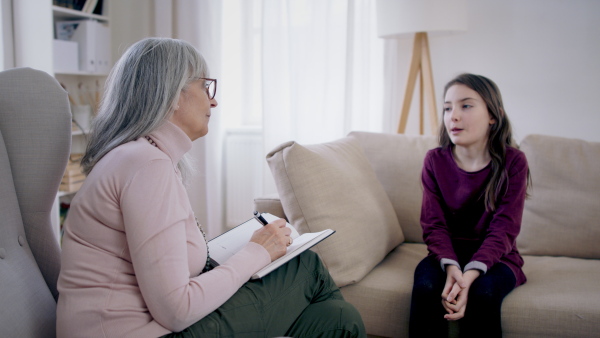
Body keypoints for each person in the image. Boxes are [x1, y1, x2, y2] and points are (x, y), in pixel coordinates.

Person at [56, 37, 365, 338]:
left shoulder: (137, 158)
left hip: (143, 327)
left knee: (339, 319)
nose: (213, 100)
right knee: (306, 265)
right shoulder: (146, 165)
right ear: (173, 94)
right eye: (205, 87)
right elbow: (176, 310)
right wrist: (256, 252)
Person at [409, 73, 531, 338]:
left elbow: (504, 229)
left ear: (493, 115)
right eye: (447, 108)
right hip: (447, 254)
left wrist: (471, 274)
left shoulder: (514, 162)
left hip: (497, 259)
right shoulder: (434, 160)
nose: (453, 116)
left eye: (466, 105)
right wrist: (453, 268)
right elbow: (434, 225)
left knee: (484, 293)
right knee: (426, 287)